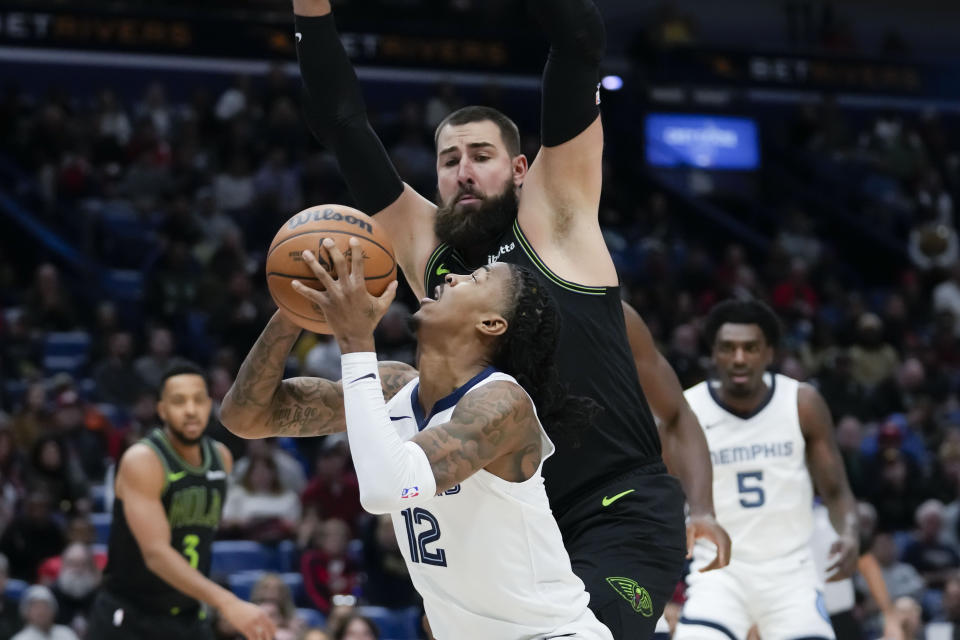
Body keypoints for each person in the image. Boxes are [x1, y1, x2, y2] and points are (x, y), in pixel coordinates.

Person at [292, 0, 729, 633]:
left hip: (620, 509)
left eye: (480, 155)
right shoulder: (428, 254)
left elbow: (578, 40)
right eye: (448, 160)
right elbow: (340, 122)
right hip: (521, 517)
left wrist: (705, 506)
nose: (463, 172)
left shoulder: (557, 215)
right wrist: (312, 11)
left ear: (520, 169)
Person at [221, 246, 613, 639]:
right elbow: (245, 417)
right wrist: (294, 308)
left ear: (492, 323)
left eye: (474, 279)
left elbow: (387, 490)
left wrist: (356, 339)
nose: (450, 277)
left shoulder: (502, 404)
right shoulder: (393, 387)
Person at [672, 300, 859, 640]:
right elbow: (663, 494)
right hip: (718, 573)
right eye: (728, 348)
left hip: (791, 573)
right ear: (713, 354)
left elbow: (835, 491)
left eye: (750, 348)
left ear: (769, 353)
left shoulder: (801, 403)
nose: (739, 358)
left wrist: (849, 533)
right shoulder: (688, 410)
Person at [86, 363, 275, 640]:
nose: (190, 410)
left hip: (187, 616)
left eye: (198, 400)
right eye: (179, 401)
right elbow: (156, 554)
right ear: (161, 409)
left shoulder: (221, 459)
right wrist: (227, 601)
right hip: (131, 617)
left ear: (210, 404)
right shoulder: (143, 460)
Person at [812, 501, 903, 640]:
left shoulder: (829, 516)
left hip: (840, 611)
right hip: (800, 610)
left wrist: (888, 613)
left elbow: (866, 562)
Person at [12, 586, 77, 640]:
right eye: (36, 607)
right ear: (27, 613)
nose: (42, 611)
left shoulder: (66, 633)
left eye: (46, 606)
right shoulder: (20, 638)